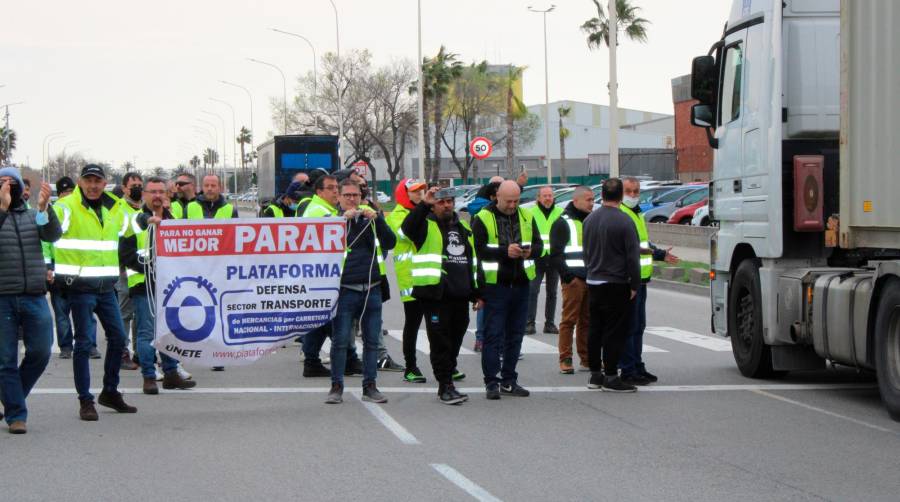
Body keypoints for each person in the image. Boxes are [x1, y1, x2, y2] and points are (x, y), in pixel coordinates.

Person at [53, 164, 138, 420]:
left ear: (104, 183)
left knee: (118, 338)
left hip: (106, 287)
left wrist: (150, 218)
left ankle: (109, 391)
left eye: (97, 181)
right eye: (88, 180)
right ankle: (85, 401)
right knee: (84, 343)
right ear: (80, 182)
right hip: (79, 288)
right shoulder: (67, 206)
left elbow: (131, 230)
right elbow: (47, 231)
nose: (92, 185)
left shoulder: (114, 208)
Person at [402, 186, 482, 404]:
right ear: (433, 204)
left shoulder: (463, 226)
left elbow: (471, 261)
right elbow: (407, 228)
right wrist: (424, 203)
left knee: (455, 340)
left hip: (460, 294)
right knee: (440, 342)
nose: (446, 205)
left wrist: (476, 293)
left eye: (449, 201)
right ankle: (445, 385)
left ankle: (449, 375)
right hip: (435, 295)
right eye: (441, 202)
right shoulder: (423, 224)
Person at [120, 177, 197, 394]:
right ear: (144, 194)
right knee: (147, 333)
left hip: (170, 284)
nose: (157, 196)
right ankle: (149, 376)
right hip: (144, 284)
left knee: (171, 330)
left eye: (161, 192)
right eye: (152, 192)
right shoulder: (135, 220)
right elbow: (125, 254)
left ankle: (171, 373)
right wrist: (150, 266)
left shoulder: (172, 219)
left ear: (167, 195)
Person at [0, 167, 60, 434]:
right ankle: (16, 415)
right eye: (3, 182)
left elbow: (53, 235)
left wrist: (45, 207)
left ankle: (11, 399)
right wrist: (2, 209)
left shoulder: (31, 215)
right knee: (5, 360)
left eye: (13, 182)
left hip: (34, 295)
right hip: (3, 297)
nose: (9, 186)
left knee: (40, 351)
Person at [325, 179, 396, 404]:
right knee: (340, 341)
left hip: (371, 288)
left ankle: (370, 386)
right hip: (345, 289)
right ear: (339, 198)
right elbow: (322, 246)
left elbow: (390, 242)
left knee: (372, 341)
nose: (352, 199)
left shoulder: (372, 219)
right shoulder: (331, 221)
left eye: (356, 195)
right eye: (347, 195)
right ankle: (336, 386)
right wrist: (339, 223)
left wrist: (378, 220)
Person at [472, 180, 542, 400]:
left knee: (515, 336)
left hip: (521, 284)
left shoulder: (527, 216)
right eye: (509, 201)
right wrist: (505, 251)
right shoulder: (483, 217)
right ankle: (491, 382)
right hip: (495, 286)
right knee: (493, 336)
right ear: (497, 197)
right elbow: (479, 250)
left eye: (516, 201)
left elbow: (540, 246)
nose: (513, 205)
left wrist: (530, 252)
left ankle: (509, 380)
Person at [618, 177, 680, 385]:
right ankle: (627, 369)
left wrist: (660, 254)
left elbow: (644, 243)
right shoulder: (622, 214)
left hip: (642, 277)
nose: (634, 195)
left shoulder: (637, 214)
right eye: (629, 191)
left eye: (636, 191)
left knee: (639, 326)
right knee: (629, 326)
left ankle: (636, 364)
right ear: (621, 193)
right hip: (628, 279)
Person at [300, 175, 362, 378]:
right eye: (331, 188)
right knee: (332, 319)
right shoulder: (319, 211)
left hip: (324, 273)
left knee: (322, 320)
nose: (336, 191)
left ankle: (313, 361)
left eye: (337, 187)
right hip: (322, 274)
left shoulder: (323, 208)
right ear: (319, 192)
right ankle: (348, 360)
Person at [582, 178, 641, 393]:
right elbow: (632, 257)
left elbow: (586, 251)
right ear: (620, 196)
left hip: (593, 280)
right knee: (614, 331)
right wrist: (634, 284)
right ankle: (611, 376)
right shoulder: (625, 221)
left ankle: (595, 374)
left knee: (595, 329)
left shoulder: (590, 219)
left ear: (602, 195)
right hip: (616, 282)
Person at [186, 174, 236, 371]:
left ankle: (217, 355)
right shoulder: (190, 207)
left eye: (213, 185)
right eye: (206, 185)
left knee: (218, 312)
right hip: (196, 268)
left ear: (220, 187)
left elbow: (236, 237)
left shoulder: (229, 209)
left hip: (220, 268)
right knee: (195, 311)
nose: (209, 188)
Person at [386, 178, 429, 383]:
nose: (419, 194)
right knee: (413, 324)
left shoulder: (426, 211)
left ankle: (449, 364)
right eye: (414, 191)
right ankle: (410, 367)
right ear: (404, 194)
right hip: (411, 281)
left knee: (439, 325)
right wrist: (424, 210)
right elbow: (406, 233)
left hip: (432, 277)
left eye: (422, 190)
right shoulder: (396, 216)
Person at [549, 186, 594, 374]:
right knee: (569, 320)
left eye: (593, 200)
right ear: (576, 201)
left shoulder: (592, 220)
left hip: (592, 278)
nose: (592, 203)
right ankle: (565, 359)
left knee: (588, 321)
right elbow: (556, 254)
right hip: (574, 280)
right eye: (588, 200)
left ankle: (587, 358)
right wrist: (569, 277)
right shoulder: (562, 222)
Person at [466, 180, 501, 353]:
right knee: (485, 303)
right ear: (493, 196)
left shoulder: (477, 209)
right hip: (487, 264)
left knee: (484, 303)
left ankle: (481, 340)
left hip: (485, 264)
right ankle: (482, 339)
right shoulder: (485, 213)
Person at [115, 172, 144, 371]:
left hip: (143, 268)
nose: (137, 188)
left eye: (140, 185)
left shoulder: (143, 209)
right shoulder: (119, 209)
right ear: (124, 188)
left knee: (141, 314)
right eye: (133, 185)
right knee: (124, 313)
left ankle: (140, 352)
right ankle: (121, 352)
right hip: (125, 268)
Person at [526, 186, 562, 335]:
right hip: (537, 258)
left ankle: (550, 324)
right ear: (538, 198)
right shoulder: (530, 213)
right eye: (545, 196)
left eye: (550, 195)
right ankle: (529, 323)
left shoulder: (560, 213)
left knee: (552, 292)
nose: (548, 198)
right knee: (533, 291)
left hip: (554, 259)